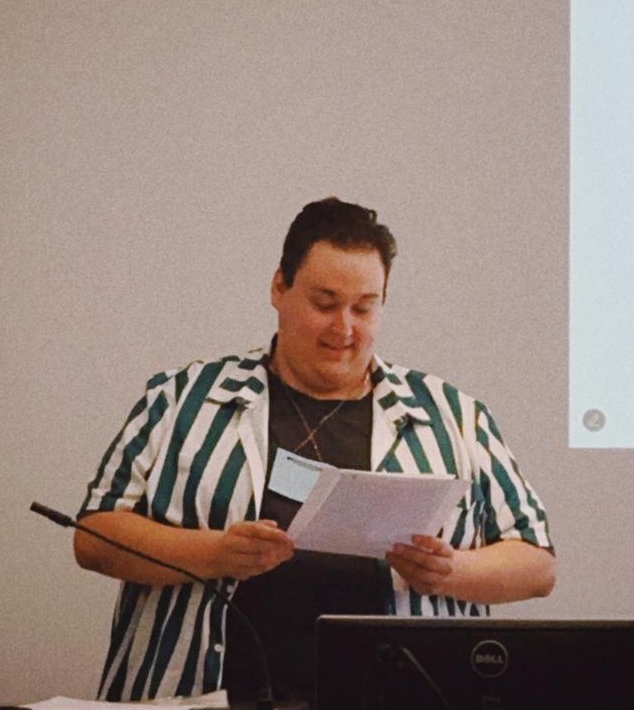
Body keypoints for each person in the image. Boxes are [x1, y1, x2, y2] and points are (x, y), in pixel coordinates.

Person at [74, 198, 556, 705]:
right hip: (199, 694)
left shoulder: (454, 416)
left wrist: (450, 571)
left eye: (363, 308)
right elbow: (93, 536)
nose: (343, 329)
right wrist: (215, 553)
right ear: (279, 288)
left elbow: (537, 565)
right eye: (324, 304)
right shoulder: (182, 398)